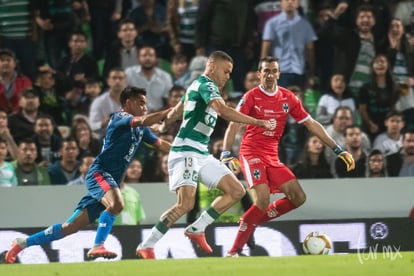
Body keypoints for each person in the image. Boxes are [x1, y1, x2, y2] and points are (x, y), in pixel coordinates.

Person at [1, 86, 172, 264]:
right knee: (117, 204)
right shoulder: (119, 117)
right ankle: (98, 245)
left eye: (146, 104)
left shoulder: (141, 130)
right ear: (128, 103)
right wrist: (170, 111)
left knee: (70, 227)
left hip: (108, 180)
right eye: (141, 103)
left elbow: (161, 144)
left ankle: (22, 243)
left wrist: (182, 151)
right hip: (100, 173)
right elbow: (144, 119)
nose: (145, 107)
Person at [136, 51, 272, 259]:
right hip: (185, 151)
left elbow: (177, 110)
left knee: (237, 190)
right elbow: (223, 111)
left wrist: (164, 125)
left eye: (230, 72)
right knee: (186, 204)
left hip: (201, 152)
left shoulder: (195, 87)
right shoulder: (207, 85)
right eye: (225, 71)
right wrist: (258, 122)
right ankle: (147, 244)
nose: (228, 76)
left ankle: (197, 228)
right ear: (211, 66)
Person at [220, 56, 355, 256]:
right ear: (259, 74)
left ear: (279, 74)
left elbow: (311, 124)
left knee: (298, 197)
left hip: (272, 156)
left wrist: (338, 148)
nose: (270, 74)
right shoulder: (250, 97)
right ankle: (233, 251)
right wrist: (225, 152)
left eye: (274, 70)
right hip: (251, 152)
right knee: (262, 200)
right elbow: (233, 123)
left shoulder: (288, 97)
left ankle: (249, 222)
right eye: (266, 71)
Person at [114, 159, 146, 225]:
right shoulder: (104, 193)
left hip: (131, 232)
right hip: (111, 233)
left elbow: (138, 219)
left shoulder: (134, 193)